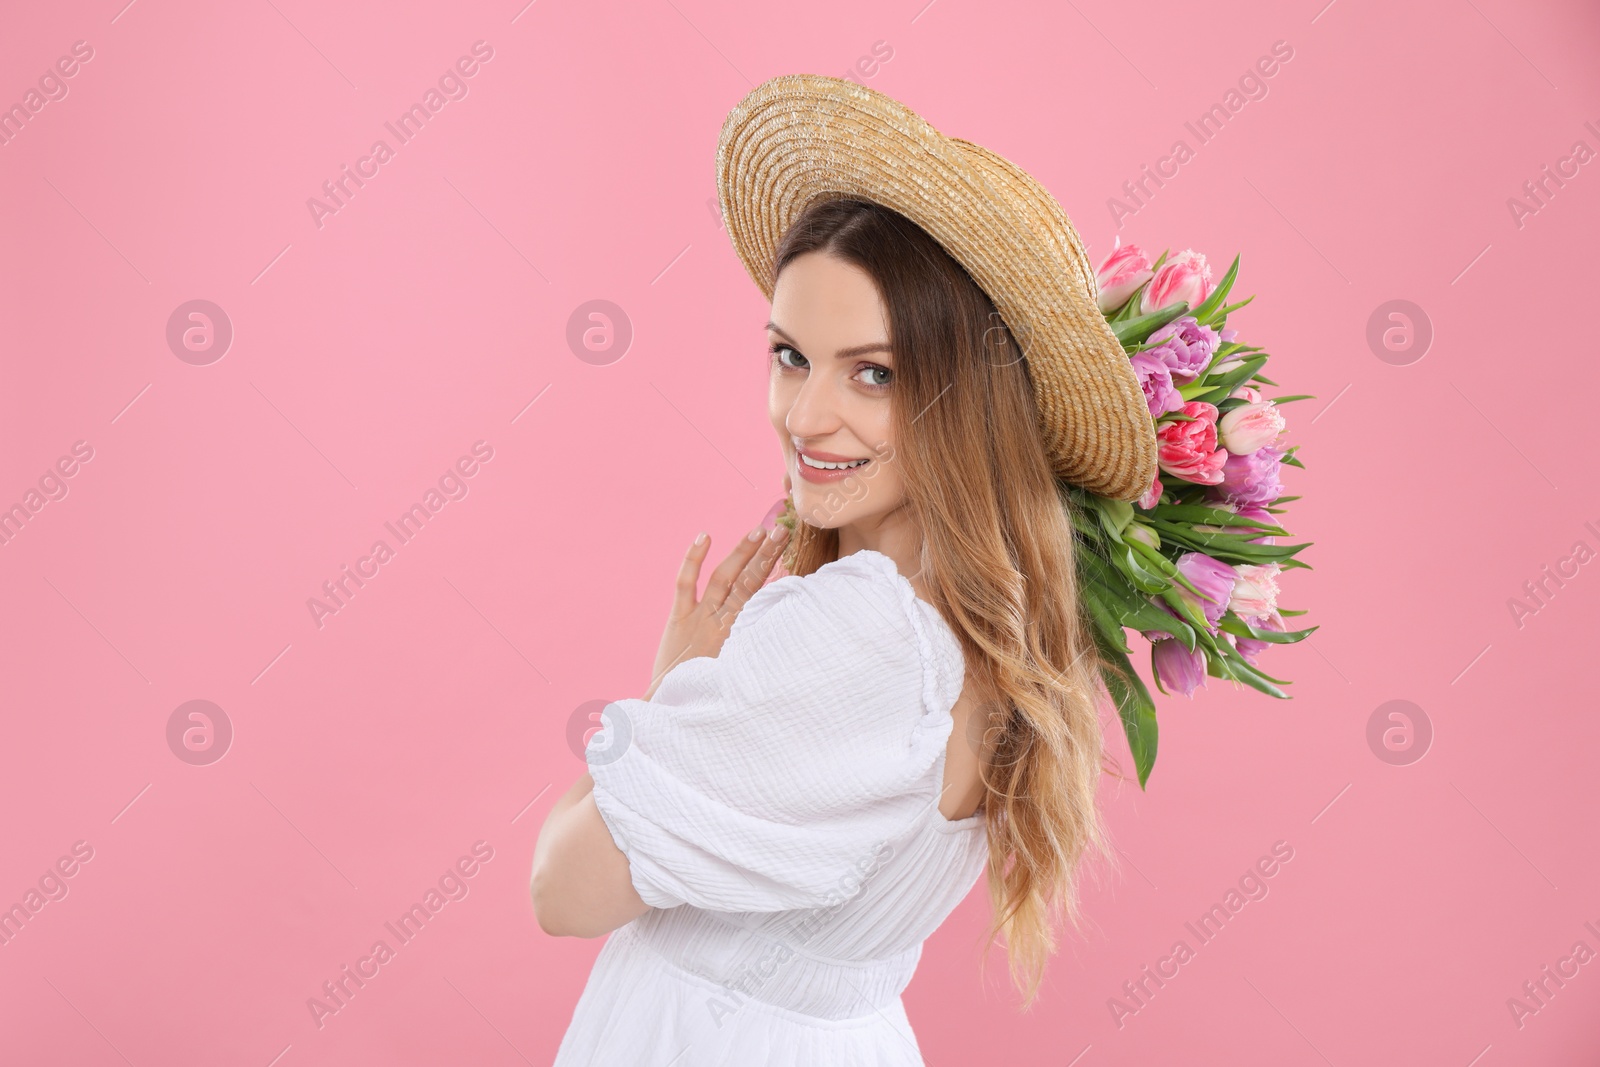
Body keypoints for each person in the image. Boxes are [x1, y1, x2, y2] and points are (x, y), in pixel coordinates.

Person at [533, 74, 1159, 1066]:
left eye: (873, 372)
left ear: (966, 399)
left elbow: (560, 887)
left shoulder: (855, 638)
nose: (805, 414)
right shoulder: (979, 633)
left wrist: (666, 691)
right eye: (791, 355)